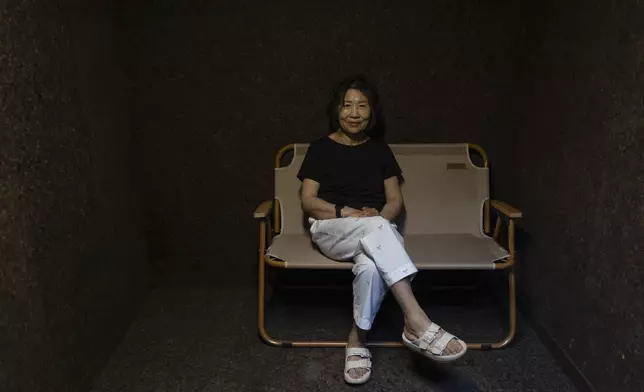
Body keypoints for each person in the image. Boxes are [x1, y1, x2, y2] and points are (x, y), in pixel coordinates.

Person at [296, 75, 467, 385]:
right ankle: (417, 320)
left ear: (372, 112)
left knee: (372, 268)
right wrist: (346, 212)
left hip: (376, 231)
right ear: (336, 110)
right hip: (332, 230)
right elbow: (308, 201)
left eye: (362, 106)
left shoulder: (380, 150)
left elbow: (394, 202)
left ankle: (357, 341)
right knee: (375, 228)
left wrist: (380, 216)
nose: (354, 113)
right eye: (347, 105)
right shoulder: (320, 148)